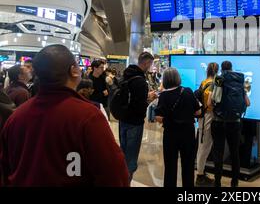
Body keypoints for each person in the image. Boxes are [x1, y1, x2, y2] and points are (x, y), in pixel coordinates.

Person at [0, 45, 129, 186]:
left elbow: (6, 169)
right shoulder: (88, 116)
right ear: (73, 71)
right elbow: (115, 174)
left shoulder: (16, 117)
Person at [154, 68, 201, 187]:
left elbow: (158, 117)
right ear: (178, 78)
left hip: (171, 134)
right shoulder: (188, 91)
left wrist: (168, 120)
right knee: (188, 165)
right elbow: (198, 112)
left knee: (170, 166)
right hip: (188, 133)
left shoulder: (163, 96)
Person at [208, 61, 250, 187]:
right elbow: (247, 103)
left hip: (219, 122)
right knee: (234, 152)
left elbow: (210, 103)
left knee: (218, 153)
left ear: (222, 69)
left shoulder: (218, 79)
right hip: (235, 123)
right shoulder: (239, 81)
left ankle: (218, 182)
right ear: (232, 68)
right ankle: (234, 183)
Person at [119, 52, 157, 183]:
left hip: (123, 119)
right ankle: (126, 182)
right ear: (146, 63)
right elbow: (140, 107)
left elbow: (131, 100)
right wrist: (149, 99)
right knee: (131, 157)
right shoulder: (140, 81)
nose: (151, 67)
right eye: (150, 64)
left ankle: (120, 180)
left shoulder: (126, 75)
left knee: (123, 151)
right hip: (135, 122)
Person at [196, 62, 219, 187]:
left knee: (203, 145)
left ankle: (201, 172)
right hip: (208, 116)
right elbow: (210, 103)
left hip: (202, 117)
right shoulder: (213, 84)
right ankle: (199, 176)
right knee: (205, 147)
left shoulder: (203, 82)